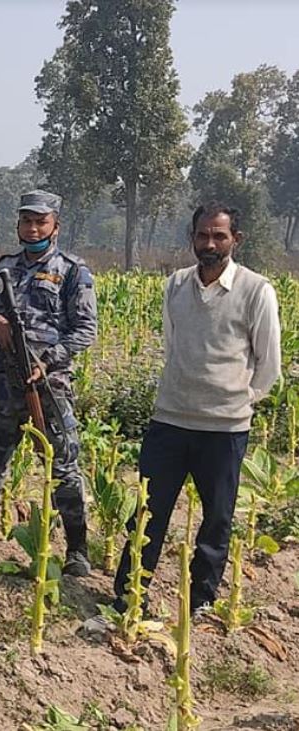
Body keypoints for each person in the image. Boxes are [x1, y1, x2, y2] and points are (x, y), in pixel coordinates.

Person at [111, 201, 280, 615]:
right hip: (169, 420)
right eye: (203, 234)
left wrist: (237, 400)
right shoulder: (175, 286)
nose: (210, 243)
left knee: (217, 518)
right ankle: (130, 593)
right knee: (149, 511)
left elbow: (268, 363)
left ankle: (201, 599)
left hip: (224, 428)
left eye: (219, 235)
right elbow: (172, 346)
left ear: (235, 240)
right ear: (192, 238)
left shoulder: (256, 290)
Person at [0, 190, 97, 576]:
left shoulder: (72, 270)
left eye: (41, 221)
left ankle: (77, 549)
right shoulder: (5, 268)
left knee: (63, 465)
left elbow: (85, 330)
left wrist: (46, 360)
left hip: (48, 387)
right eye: (27, 221)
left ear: (55, 225)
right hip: (4, 383)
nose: (33, 227)